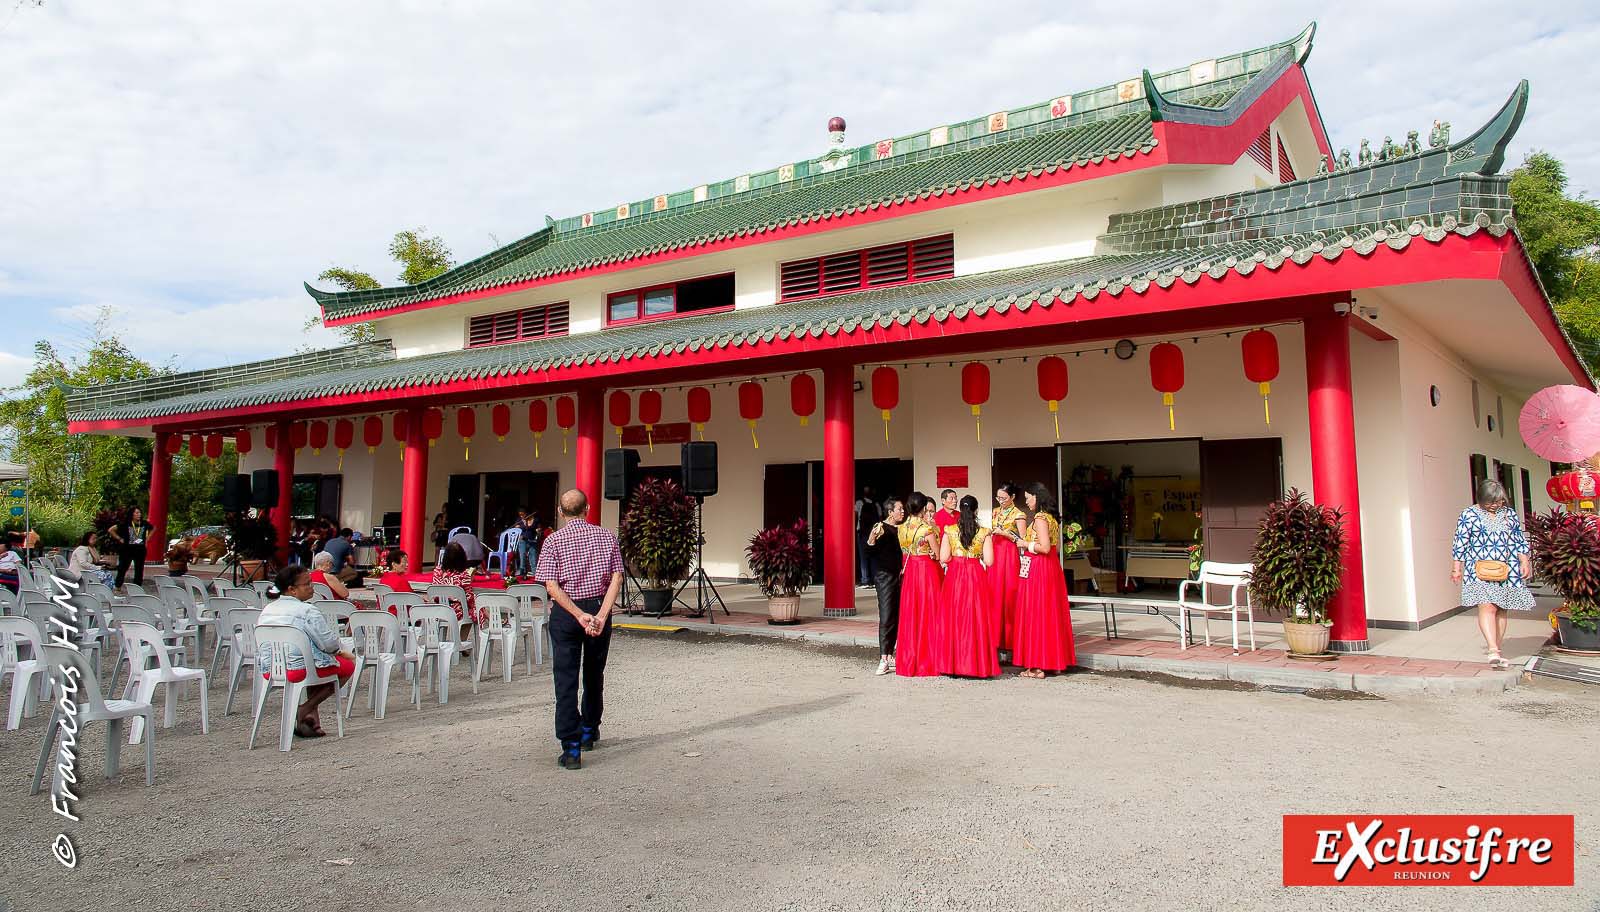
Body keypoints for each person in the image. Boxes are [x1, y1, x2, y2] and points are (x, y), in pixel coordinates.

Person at [535, 489, 624, 771]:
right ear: (588, 508)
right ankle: (588, 729)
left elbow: (551, 586)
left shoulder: (553, 541)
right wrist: (600, 616)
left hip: (567, 612)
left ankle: (571, 747)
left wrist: (578, 614)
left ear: (560, 512)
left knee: (566, 678)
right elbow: (617, 578)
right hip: (598, 607)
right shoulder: (607, 536)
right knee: (594, 673)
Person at [257, 564, 356, 738]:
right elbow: (329, 645)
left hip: (271, 669)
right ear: (292, 590)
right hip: (298, 669)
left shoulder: (267, 609)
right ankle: (304, 709)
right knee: (347, 666)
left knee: (317, 663)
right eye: (307, 584)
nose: (312, 587)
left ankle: (310, 722)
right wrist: (341, 651)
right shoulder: (307, 610)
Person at [1451, 479, 1534, 670]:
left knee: (1501, 608)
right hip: (1479, 568)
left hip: (1507, 568)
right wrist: (1456, 568)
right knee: (1487, 606)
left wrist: (1524, 561)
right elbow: (1460, 542)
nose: (1495, 505)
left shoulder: (1509, 514)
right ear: (1481, 499)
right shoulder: (1469, 514)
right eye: (1490, 502)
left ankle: (1497, 648)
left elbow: (1518, 540)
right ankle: (1492, 649)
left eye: (1498, 501)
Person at [1012, 482, 1076, 679]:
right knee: (1050, 613)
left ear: (1036, 497)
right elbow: (1055, 549)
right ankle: (1053, 661)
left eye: (1028, 498)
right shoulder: (1052, 518)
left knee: (1036, 613)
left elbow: (1045, 548)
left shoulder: (1040, 518)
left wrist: (1025, 544)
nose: (1026, 502)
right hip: (1051, 568)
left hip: (1038, 567)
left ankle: (1037, 665)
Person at [939, 495, 1000, 678]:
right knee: (976, 618)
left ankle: (954, 665)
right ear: (976, 510)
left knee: (954, 618)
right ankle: (977, 665)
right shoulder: (984, 532)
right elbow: (989, 561)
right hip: (975, 575)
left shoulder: (949, 530)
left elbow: (944, 557)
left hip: (955, 575)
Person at [894, 492, 945, 678]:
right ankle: (928, 660)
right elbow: (938, 554)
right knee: (928, 612)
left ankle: (909, 660)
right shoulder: (926, 529)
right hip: (926, 570)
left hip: (910, 570)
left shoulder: (901, 528)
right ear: (923, 508)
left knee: (911, 613)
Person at [866, 497, 906, 675]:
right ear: (890, 512)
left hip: (900, 576)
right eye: (899, 509)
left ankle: (890, 654)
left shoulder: (902, 529)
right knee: (887, 616)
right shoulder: (880, 528)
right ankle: (883, 657)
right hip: (885, 577)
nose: (903, 512)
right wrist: (871, 539)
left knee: (897, 616)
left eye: (903, 509)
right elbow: (870, 552)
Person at [989, 482, 1028, 656]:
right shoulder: (995, 511)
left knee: (1009, 595)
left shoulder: (1019, 514)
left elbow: (1023, 539)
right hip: (995, 553)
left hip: (1009, 555)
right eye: (998, 497)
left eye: (1004, 498)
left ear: (1012, 497)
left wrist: (1005, 533)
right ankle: (995, 640)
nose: (1000, 501)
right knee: (994, 595)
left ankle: (1012, 642)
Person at [430, 541, 480, 623]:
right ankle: (488, 620)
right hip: (458, 612)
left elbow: (434, 594)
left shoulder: (437, 571)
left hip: (439, 610)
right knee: (477, 606)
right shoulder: (463, 574)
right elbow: (469, 598)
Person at [108, 507, 153, 589]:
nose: (139, 514)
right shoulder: (126, 523)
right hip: (127, 549)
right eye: (137, 513)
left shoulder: (144, 523)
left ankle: (137, 587)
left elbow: (152, 529)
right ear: (132, 514)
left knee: (139, 569)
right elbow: (111, 530)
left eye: (140, 513)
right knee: (123, 568)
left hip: (140, 549)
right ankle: (118, 586)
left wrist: (147, 538)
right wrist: (119, 539)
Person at [855, 485, 881, 588]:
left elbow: (855, 517)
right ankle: (875, 579)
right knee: (874, 557)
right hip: (874, 532)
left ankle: (865, 579)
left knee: (863, 557)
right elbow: (880, 518)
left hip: (862, 533)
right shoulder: (876, 504)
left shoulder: (859, 503)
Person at [515, 509, 541, 577]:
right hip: (523, 540)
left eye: (522, 514)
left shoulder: (535, 520)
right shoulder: (520, 520)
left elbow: (539, 527)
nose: (521, 516)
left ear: (527, 513)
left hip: (532, 540)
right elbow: (516, 528)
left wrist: (538, 529)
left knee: (533, 557)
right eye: (520, 514)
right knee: (522, 556)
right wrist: (518, 527)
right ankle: (522, 573)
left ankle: (535, 574)